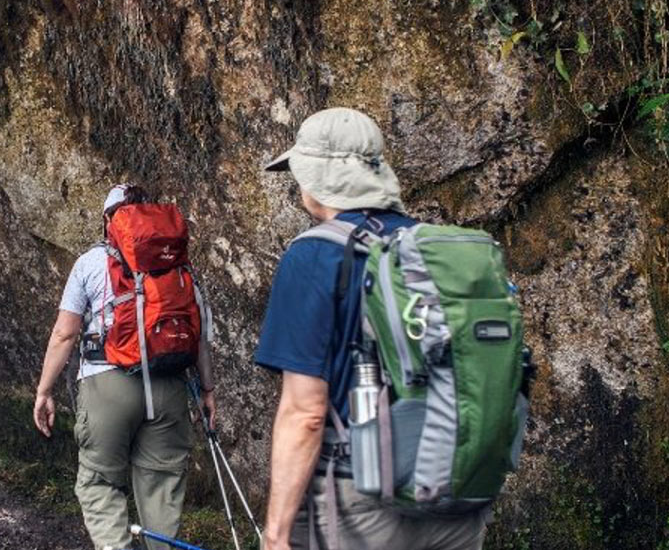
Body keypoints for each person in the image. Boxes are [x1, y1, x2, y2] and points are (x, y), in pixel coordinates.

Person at [255, 107, 490, 549]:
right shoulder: (438, 249)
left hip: (363, 503)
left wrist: (275, 534)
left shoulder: (314, 256)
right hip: (456, 494)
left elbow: (304, 413)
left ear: (317, 178)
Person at [31, 184, 217, 550]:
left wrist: (44, 391)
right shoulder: (180, 267)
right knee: (162, 487)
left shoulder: (90, 263)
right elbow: (199, 337)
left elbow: (64, 334)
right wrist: (208, 390)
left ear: (107, 220)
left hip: (107, 385)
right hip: (169, 388)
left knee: (100, 482)